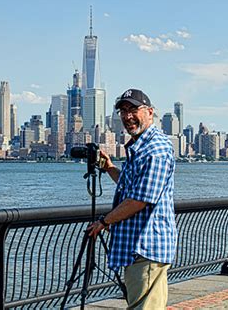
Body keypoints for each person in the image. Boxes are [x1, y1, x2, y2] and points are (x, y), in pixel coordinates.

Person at [87, 88, 177, 309]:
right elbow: (132, 187)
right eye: (123, 111)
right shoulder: (140, 147)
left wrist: (104, 222)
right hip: (138, 249)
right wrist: (109, 168)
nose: (127, 116)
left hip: (146, 247)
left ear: (149, 112)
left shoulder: (155, 150)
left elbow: (140, 199)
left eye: (133, 109)